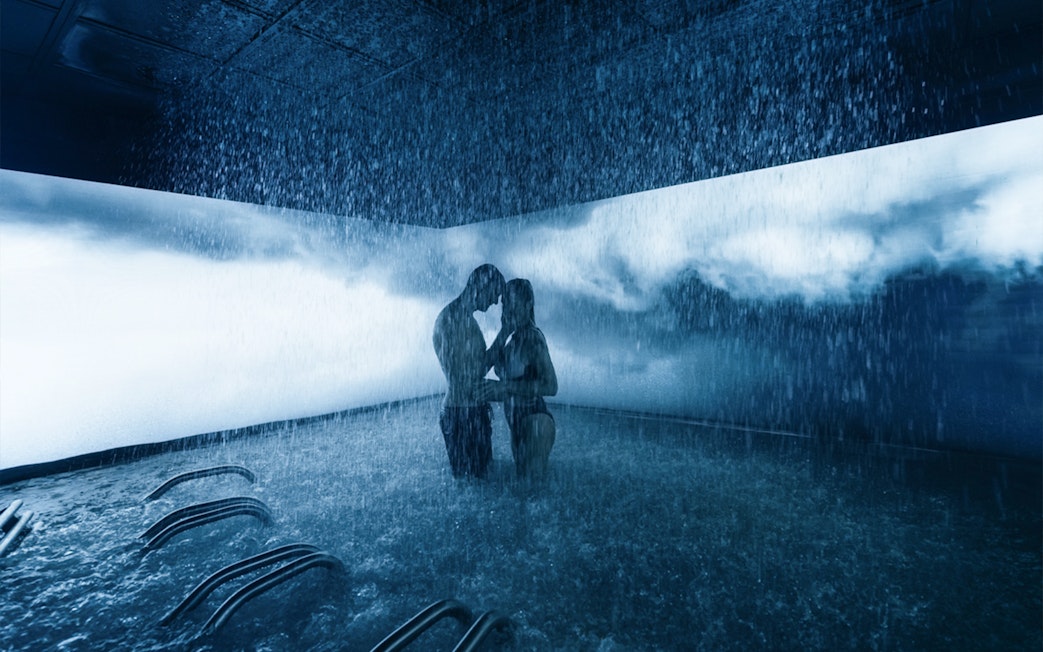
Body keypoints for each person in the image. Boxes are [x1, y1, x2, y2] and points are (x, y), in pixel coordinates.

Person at [432, 264, 506, 478]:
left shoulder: (461, 317)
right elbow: (467, 377)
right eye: (494, 295)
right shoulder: (453, 320)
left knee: (481, 484)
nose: (494, 302)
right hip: (461, 417)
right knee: (473, 483)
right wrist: (505, 331)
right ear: (481, 286)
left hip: (467, 413)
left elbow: (476, 367)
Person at [491, 278, 558, 477]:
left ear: (528, 304)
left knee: (532, 492)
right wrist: (503, 332)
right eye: (504, 304)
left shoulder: (532, 338)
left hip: (536, 421)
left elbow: (551, 385)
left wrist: (506, 387)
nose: (507, 310)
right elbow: (493, 363)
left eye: (513, 303)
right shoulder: (513, 339)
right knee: (525, 489)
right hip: (518, 421)